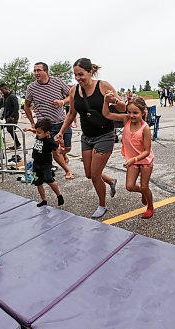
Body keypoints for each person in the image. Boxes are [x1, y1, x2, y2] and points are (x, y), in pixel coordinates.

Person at [56, 58, 125, 218]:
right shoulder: (73, 91)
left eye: (81, 74)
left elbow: (122, 107)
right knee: (88, 173)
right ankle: (111, 181)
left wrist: (113, 100)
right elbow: (72, 113)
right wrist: (61, 131)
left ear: (90, 72)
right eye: (75, 75)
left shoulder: (103, 85)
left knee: (94, 175)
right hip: (87, 137)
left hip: (105, 135)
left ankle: (102, 205)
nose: (78, 78)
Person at [102, 96, 155, 219]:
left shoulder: (145, 128)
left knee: (144, 185)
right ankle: (143, 192)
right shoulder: (126, 120)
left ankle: (150, 206)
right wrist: (106, 101)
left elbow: (147, 151)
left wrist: (134, 159)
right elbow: (106, 114)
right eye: (129, 112)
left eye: (135, 113)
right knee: (130, 187)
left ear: (143, 112)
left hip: (145, 160)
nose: (131, 115)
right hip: (132, 160)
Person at [24, 62, 74, 179]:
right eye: (35, 70)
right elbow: (26, 106)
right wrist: (32, 122)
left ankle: (64, 155)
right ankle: (67, 171)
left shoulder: (57, 81)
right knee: (55, 151)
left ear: (46, 71)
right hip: (45, 125)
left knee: (67, 148)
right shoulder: (31, 87)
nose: (36, 73)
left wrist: (62, 102)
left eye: (39, 70)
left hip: (62, 122)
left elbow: (71, 95)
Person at [24, 118, 64, 207]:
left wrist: (62, 144)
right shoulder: (40, 135)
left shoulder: (50, 142)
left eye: (39, 132)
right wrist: (30, 129)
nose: (37, 134)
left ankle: (59, 195)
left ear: (47, 133)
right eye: (37, 132)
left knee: (49, 179)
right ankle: (44, 200)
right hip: (36, 163)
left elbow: (58, 150)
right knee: (38, 182)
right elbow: (36, 131)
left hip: (46, 165)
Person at [0, 83, 21, 149]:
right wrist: (3, 115)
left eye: (2, 90)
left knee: (10, 129)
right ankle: (17, 144)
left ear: (6, 89)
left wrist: (12, 116)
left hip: (13, 117)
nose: (1, 92)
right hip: (8, 116)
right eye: (1, 90)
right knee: (10, 130)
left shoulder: (12, 96)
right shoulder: (5, 98)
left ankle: (17, 144)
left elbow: (16, 107)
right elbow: (5, 107)